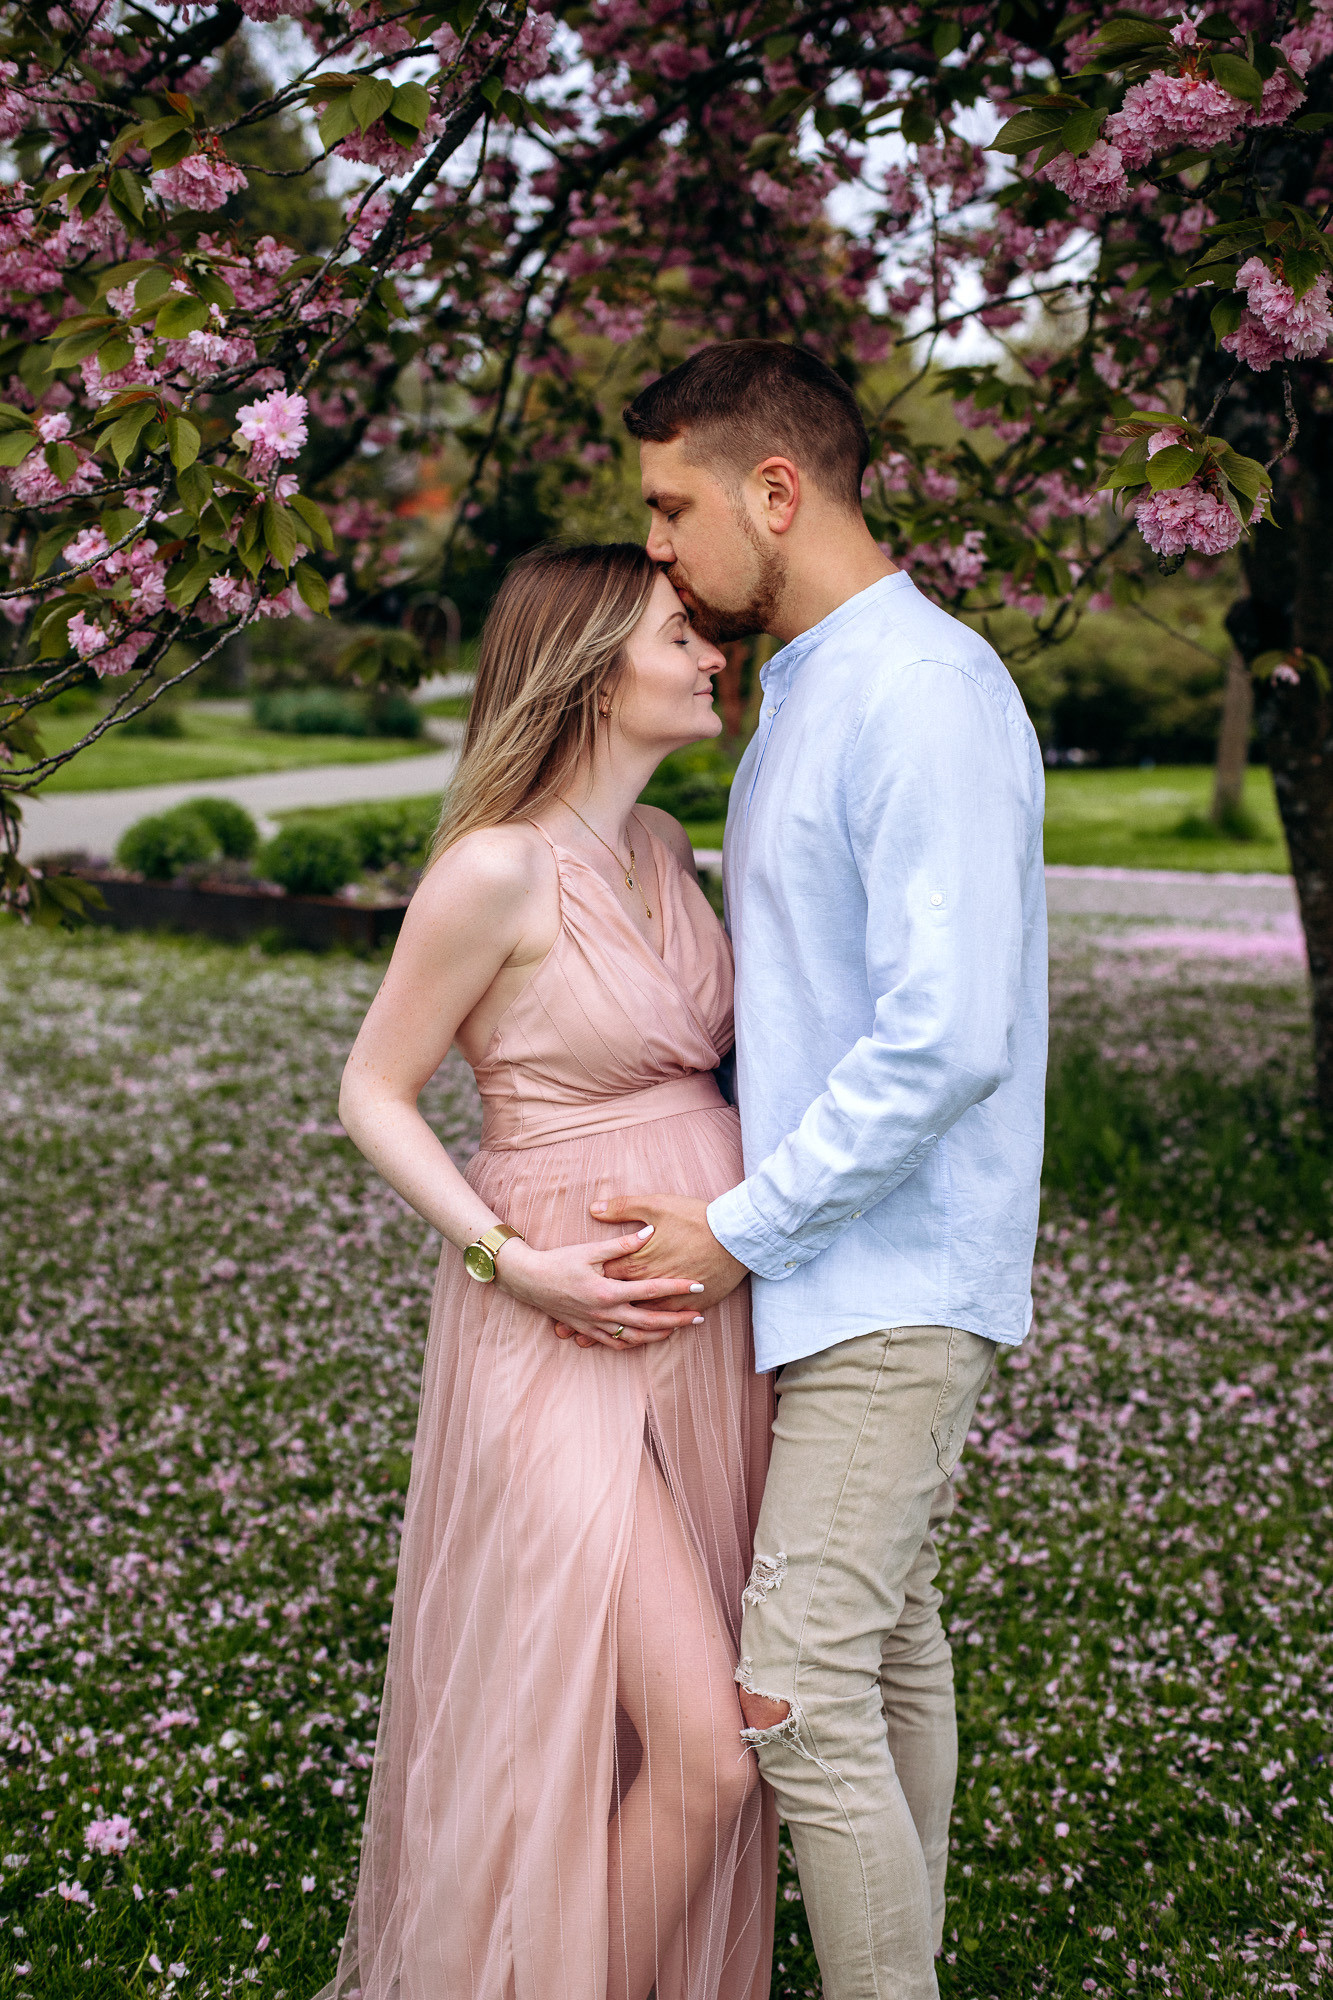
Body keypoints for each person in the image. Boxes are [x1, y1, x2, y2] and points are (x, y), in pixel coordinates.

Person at [593, 340, 1048, 2000]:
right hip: (828, 1265)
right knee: (890, 1648)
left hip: (895, 1263)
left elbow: (946, 1037)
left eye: (670, 506)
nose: (654, 548)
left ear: (773, 493)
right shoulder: (805, 688)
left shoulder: (920, 688)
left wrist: (735, 1225)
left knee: (788, 1689)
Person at [324, 544, 777, 2000]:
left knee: (663, 1741)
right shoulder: (493, 871)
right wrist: (511, 1262)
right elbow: (373, 1092)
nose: (710, 656)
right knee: (705, 1756)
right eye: (677, 636)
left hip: (697, 1321)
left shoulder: (658, 854)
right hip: (553, 1332)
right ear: (588, 670)